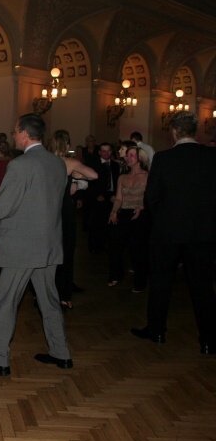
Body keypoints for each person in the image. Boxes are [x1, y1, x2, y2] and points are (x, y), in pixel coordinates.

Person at [0, 113, 71, 376]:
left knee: (5, 303)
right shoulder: (58, 163)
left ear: (24, 133)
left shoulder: (20, 165)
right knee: (49, 302)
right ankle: (61, 353)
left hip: (22, 248)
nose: (13, 135)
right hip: (47, 245)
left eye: (14, 131)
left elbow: (4, 207)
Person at [132, 111, 216, 355]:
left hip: (167, 232)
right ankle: (209, 340)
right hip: (202, 233)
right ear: (194, 131)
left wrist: (165, 220)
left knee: (161, 283)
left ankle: (157, 330)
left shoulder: (164, 158)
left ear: (175, 132)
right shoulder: (211, 157)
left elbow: (152, 197)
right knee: (203, 287)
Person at [47, 130, 97, 309]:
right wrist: (76, 176)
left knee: (49, 252)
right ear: (67, 145)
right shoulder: (69, 162)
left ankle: (45, 293)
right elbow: (94, 175)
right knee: (66, 251)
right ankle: (64, 294)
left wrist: (74, 178)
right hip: (64, 210)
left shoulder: (45, 161)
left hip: (47, 209)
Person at [107, 146, 149, 291]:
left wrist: (142, 207)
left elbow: (153, 197)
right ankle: (116, 275)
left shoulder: (147, 176)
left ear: (140, 158)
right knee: (115, 246)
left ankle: (140, 282)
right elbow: (119, 198)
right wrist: (114, 212)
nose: (128, 158)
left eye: (132, 155)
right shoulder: (122, 177)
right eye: (127, 155)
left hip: (140, 214)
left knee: (137, 250)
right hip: (124, 212)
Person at [86, 142, 120, 253]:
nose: (106, 153)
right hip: (97, 198)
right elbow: (89, 183)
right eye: (103, 151)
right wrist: (96, 195)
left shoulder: (115, 165)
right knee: (96, 224)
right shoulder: (93, 164)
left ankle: (107, 245)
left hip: (112, 197)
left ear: (111, 152)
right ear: (100, 152)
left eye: (108, 150)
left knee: (110, 224)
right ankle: (95, 247)